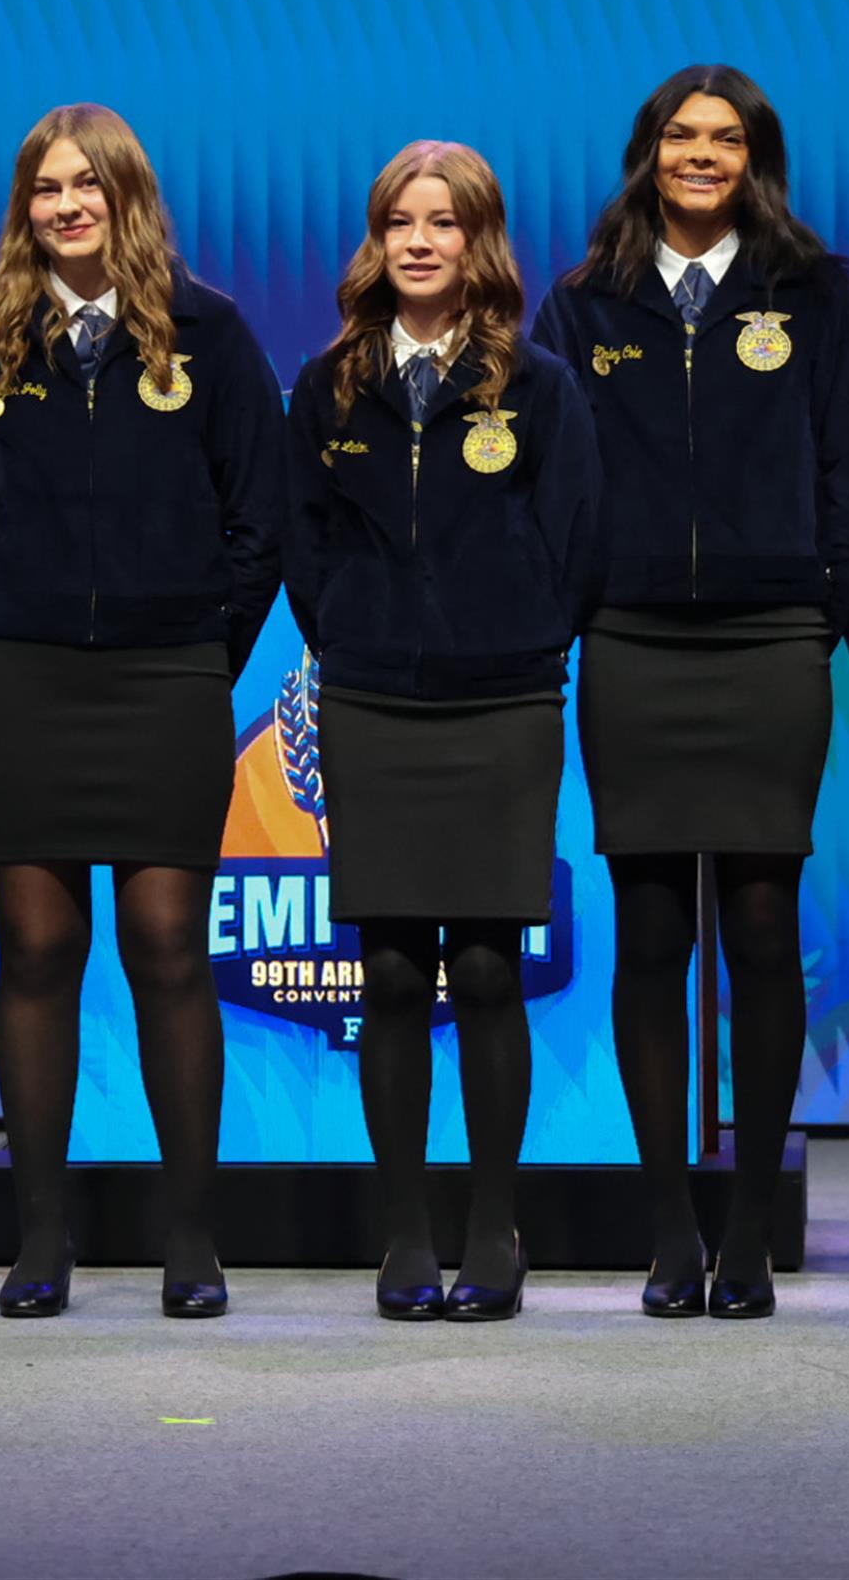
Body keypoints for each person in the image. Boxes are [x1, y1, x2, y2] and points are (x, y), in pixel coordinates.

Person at [532, 66, 849, 1319]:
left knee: (762, 931)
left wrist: (824, 605)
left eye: (724, 139)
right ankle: (669, 1231)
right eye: (680, 136)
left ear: (754, 159)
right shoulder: (583, 301)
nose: (700, 155)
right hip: (631, 645)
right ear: (649, 152)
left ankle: (746, 1236)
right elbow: (550, 476)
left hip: (771, 643)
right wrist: (580, 605)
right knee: (650, 937)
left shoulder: (816, 292)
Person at [0, 105, 283, 1318]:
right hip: (25, 680)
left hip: (168, 680)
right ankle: (42, 1239)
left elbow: (260, 519)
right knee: (36, 951)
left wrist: (202, 647)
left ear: (128, 195)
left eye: (89, 184)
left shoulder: (210, 334)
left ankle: (191, 1240)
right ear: (23, 207)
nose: (67, 205)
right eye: (46, 187)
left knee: (168, 948)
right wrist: (0, 612)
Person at [283, 140, 600, 1322]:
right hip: (372, 705)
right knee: (389, 971)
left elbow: (579, 542)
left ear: (479, 240)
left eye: (443, 222)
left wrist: (511, 639)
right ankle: (407, 1234)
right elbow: (303, 545)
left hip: (503, 707)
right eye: (399, 222)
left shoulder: (539, 386)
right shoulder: (330, 386)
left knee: (484, 968)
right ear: (377, 241)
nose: (419, 242)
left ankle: (492, 1230)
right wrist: (358, 634)